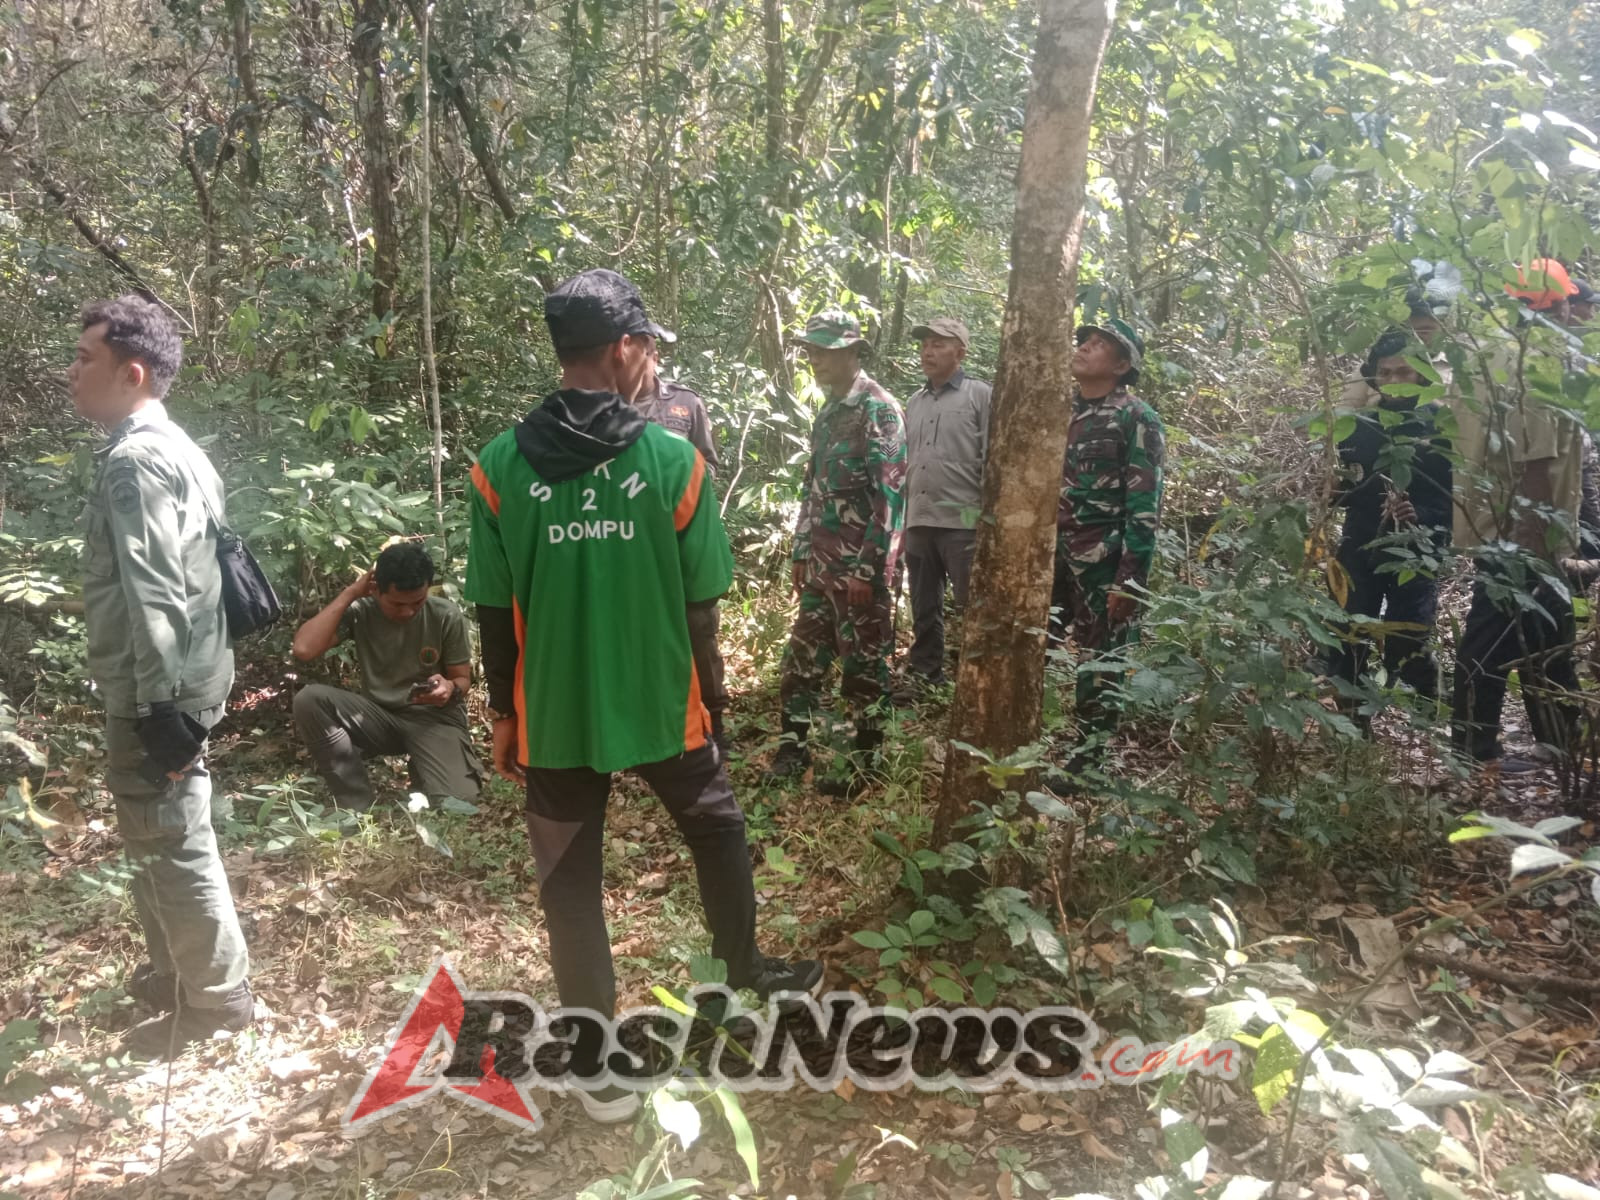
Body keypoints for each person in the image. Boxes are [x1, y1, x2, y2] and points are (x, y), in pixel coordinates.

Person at [465, 268, 821, 1123]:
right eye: (647, 347)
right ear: (624, 348)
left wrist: (505, 714)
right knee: (718, 831)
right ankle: (741, 971)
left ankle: (597, 1066)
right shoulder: (672, 461)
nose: (651, 360)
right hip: (663, 700)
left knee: (568, 880)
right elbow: (701, 604)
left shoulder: (499, 466)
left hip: (553, 713)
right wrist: (713, 707)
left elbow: (492, 607)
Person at [69, 294, 252, 1057]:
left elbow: (156, 592)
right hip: (185, 677)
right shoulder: (177, 447)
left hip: (161, 688)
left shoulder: (135, 460)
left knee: (170, 837)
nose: (72, 372)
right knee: (155, 833)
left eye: (85, 358)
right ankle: (177, 973)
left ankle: (215, 1002)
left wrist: (155, 707)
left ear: (132, 372)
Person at [1450, 259, 1586, 773]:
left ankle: (1559, 744)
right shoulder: (1538, 357)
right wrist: (1538, 543)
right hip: (1524, 532)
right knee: (1495, 638)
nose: (1573, 311)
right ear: (1555, 305)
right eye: (1568, 302)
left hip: (1495, 523)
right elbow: (1535, 462)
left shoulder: (1486, 351)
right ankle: (1474, 749)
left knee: (1548, 635)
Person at [767, 312, 907, 797]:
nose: (814, 359)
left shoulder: (878, 410)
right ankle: (793, 751)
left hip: (859, 575)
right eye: (811, 350)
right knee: (800, 662)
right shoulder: (828, 413)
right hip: (821, 569)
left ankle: (863, 766)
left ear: (852, 352)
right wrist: (801, 548)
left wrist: (869, 571)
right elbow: (815, 490)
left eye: (824, 350)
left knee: (863, 671)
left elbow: (889, 500)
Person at [290, 542, 483, 811]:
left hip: (434, 719)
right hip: (379, 720)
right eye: (397, 603)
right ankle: (355, 806)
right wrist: (350, 593)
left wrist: (450, 688)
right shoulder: (361, 611)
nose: (407, 611)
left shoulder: (444, 615)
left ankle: (424, 772)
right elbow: (304, 649)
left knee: (459, 805)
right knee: (310, 700)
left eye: (417, 602)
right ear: (375, 589)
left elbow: (462, 679)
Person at [1050, 319, 1165, 761]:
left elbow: (1144, 506)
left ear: (1120, 366)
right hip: (1049, 557)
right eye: (1084, 341)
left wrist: (1129, 581)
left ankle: (1089, 760)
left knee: (1099, 662)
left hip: (1102, 562)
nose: (1083, 348)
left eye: (1098, 345)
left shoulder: (1136, 417)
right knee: (1029, 645)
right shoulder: (1060, 410)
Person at [1329, 329, 1452, 728]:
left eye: (1404, 372)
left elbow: (1458, 500)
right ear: (1373, 376)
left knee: (1408, 643)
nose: (1394, 381)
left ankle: (1431, 721)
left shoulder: (1442, 427)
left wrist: (1422, 514)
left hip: (1417, 550)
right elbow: (1345, 485)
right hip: (1360, 541)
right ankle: (1354, 732)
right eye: (1385, 372)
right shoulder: (1357, 425)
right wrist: (1331, 491)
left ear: (1421, 375)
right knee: (1348, 635)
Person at [633, 342, 731, 756]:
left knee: (699, 629)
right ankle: (652, 725)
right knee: (640, 632)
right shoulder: (606, 406)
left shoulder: (685, 402)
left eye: (646, 352)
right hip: (632, 541)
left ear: (654, 355)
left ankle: (716, 723)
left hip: (684, 539)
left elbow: (708, 465)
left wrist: (675, 487)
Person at [898, 317, 992, 693]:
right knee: (924, 605)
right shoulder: (915, 402)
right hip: (920, 519)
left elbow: (994, 457)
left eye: (939, 344)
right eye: (925, 344)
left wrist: (988, 516)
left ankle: (979, 680)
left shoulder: (979, 395)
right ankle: (926, 675)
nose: (928, 351)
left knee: (974, 605)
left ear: (960, 352)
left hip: (963, 521)